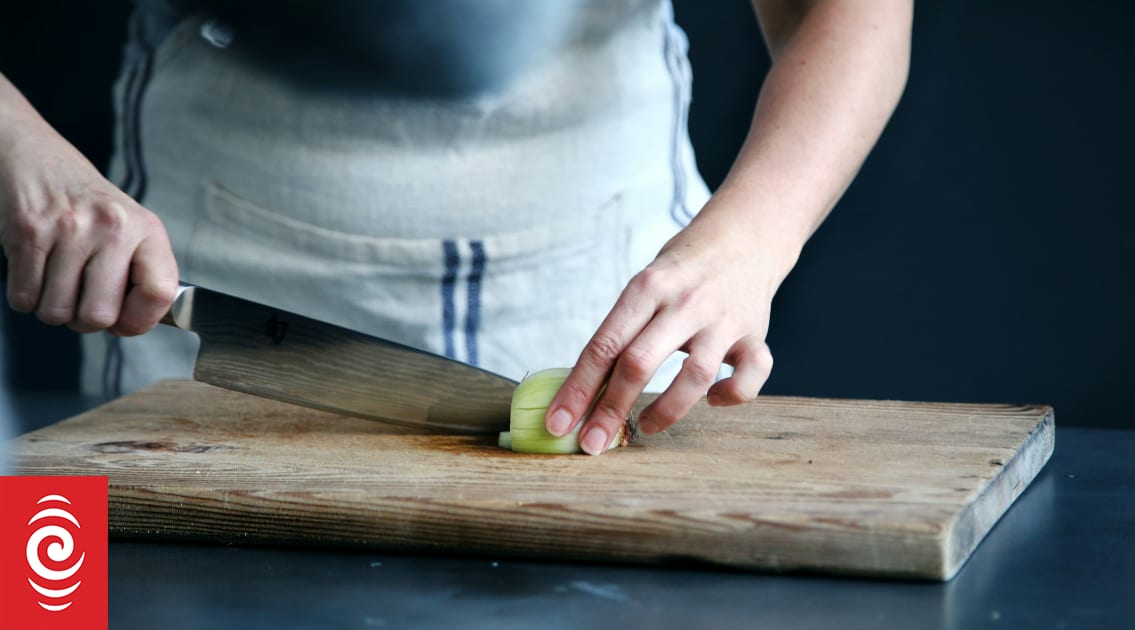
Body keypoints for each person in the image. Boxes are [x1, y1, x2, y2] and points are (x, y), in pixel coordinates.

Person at [0, 0, 911, 455]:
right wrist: (18, 153)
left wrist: (758, 231)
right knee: (75, 604)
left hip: (607, 299)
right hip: (184, 278)